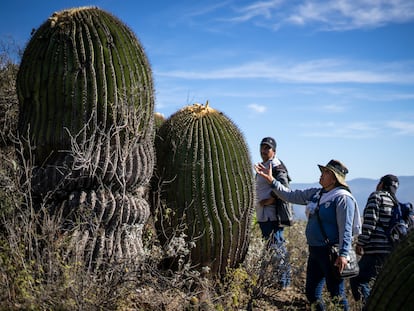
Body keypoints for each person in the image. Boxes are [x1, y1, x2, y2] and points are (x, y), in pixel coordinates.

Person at [255, 159, 361, 311]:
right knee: (312, 293)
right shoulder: (316, 194)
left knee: (336, 295)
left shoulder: (342, 198)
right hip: (315, 251)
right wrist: (271, 180)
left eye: (326, 172)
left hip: (332, 254)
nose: (321, 175)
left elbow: (346, 228)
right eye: (323, 171)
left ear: (334, 178)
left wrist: (343, 254)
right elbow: (290, 195)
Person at [350, 174, 402, 307]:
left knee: (358, 279)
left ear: (381, 184)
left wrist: (361, 242)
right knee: (376, 282)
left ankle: (368, 306)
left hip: (375, 248)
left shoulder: (377, 196)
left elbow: (369, 222)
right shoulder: (394, 201)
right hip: (390, 249)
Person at [255, 136, 292, 288]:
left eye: (267, 148)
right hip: (264, 215)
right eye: (262, 147)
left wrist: (269, 200)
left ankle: (283, 282)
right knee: (272, 247)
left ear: (274, 151)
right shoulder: (265, 164)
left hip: (272, 214)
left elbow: (284, 187)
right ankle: (278, 279)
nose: (264, 150)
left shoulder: (276, 166)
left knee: (277, 247)